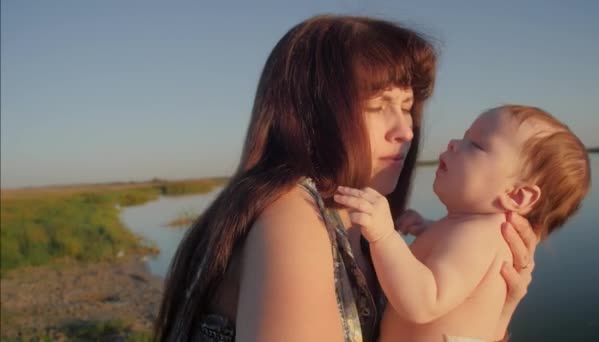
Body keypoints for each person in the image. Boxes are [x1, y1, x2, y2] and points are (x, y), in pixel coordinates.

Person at [155, 15, 538, 342]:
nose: (405, 130)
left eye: (407, 107)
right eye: (378, 106)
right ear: (310, 116)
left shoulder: (358, 217)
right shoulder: (293, 218)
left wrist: (493, 312)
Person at [335, 105, 591, 341]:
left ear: (517, 195)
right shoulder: (476, 231)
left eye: (477, 145)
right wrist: (427, 228)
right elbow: (453, 257)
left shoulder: (481, 236)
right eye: (465, 136)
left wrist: (384, 236)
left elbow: (424, 301)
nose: (455, 143)